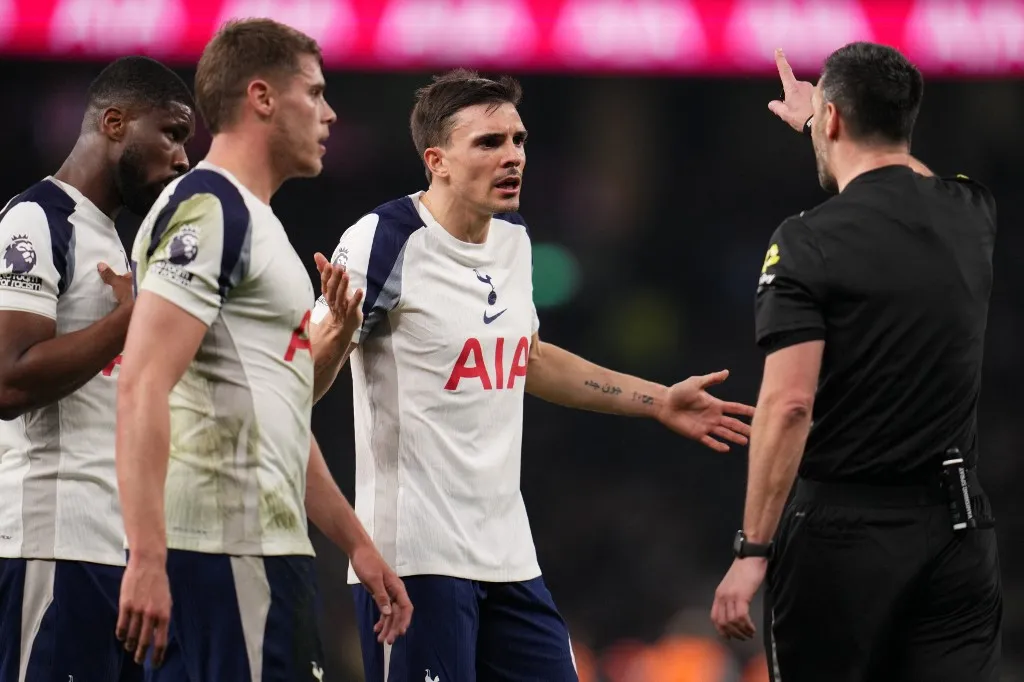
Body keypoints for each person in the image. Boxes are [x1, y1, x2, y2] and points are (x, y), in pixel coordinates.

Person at [310, 68, 755, 682]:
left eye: (518, 140)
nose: (513, 156)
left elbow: (532, 358)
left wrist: (657, 401)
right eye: (489, 143)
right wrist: (335, 333)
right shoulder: (383, 241)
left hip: (509, 558)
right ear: (436, 159)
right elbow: (299, 383)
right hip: (414, 561)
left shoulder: (513, 239)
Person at [113, 18, 412, 679]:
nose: (330, 114)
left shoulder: (253, 222)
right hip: (221, 553)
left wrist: (357, 543)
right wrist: (147, 558)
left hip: (263, 553)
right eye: (316, 92)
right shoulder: (210, 210)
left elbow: (276, 415)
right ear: (262, 97)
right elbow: (141, 383)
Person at [711, 43, 1001, 682]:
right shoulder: (973, 211)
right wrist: (829, 117)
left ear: (833, 118)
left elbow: (789, 405)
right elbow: (914, 179)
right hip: (958, 528)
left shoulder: (806, 241)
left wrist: (752, 548)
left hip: (842, 540)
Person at [0, 56, 194, 682]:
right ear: (115, 123)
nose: (183, 157)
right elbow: (8, 379)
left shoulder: (120, 244)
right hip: (50, 544)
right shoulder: (36, 221)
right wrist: (123, 323)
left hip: (117, 552)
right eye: (171, 133)